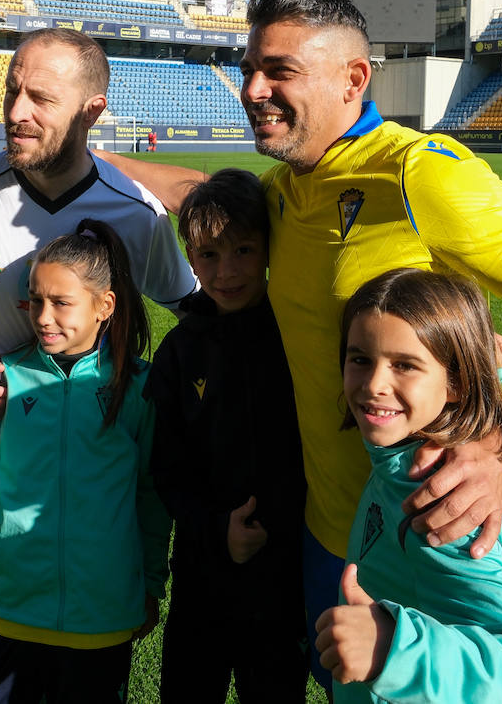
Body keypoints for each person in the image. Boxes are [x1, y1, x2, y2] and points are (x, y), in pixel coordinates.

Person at [97, 0, 502, 689]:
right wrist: (84, 153)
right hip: (327, 526)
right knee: (342, 684)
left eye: (280, 70)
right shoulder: (286, 192)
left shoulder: (420, 172)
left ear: (353, 79)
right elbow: (194, 186)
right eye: (249, 67)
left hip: (429, 530)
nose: (252, 89)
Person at [0, 27, 197, 704]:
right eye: (12, 89)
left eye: (40, 97)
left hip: (90, 448)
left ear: (92, 110)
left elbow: (194, 310)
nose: (15, 110)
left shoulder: (133, 214)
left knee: (76, 624)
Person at [314, 268, 502, 703]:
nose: (374, 384)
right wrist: (501, 379)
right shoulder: (476, 462)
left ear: (456, 383)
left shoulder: (435, 498)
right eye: (360, 358)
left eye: (404, 365)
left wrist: (394, 651)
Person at [0, 219, 167, 703]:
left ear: (105, 306)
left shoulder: (139, 387)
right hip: (12, 606)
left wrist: (150, 584)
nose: (43, 316)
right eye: (36, 300)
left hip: (101, 614)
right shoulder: (9, 375)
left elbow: (151, 497)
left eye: (61, 303)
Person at [147, 169, 307, 703]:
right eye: (208, 255)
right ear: (189, 258)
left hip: (285, 573)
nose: (227, 271)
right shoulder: (178, 351)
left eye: (242, 249)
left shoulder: (299, 335)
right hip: (202, 570)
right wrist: (218, 531)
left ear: (267, 249)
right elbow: (166, 469)